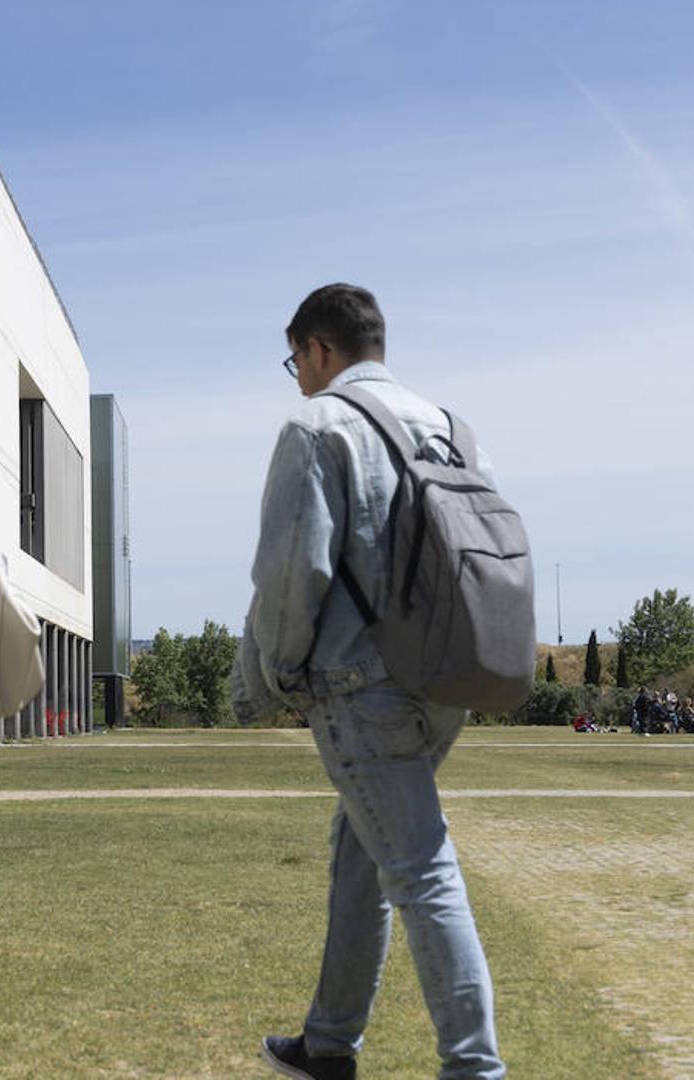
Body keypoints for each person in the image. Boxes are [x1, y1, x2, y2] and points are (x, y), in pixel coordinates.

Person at [231, 285, 507, 1080]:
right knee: (364, 847)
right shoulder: (453, 429)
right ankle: (329, 1042)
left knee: (419, 867)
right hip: (446, 679)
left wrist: (277, 675)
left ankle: (474, 1067)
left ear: (319, 349)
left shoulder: (315, 426)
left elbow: (290, 571)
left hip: (361, 684)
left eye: (296, 361)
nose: (297, 377)